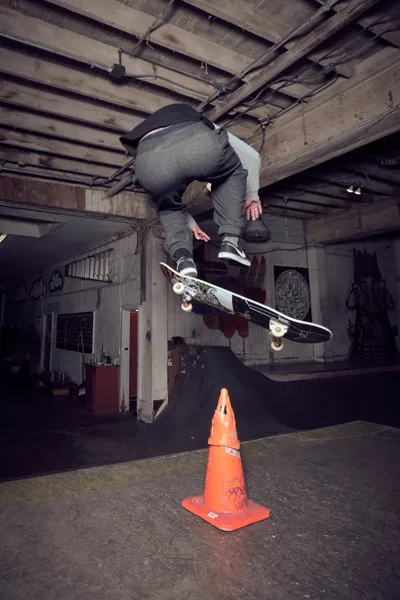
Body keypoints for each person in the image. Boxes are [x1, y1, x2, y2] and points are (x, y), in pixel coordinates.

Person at [120, 103, 262, 277]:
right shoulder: (199, 122)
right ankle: (231, 241)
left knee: (168, 208)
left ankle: (183, 257)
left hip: (147, 161)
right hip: (197, 142)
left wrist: (190, 224)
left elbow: (171, 204)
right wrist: (252, 195)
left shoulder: (146, 136)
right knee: (230, 173)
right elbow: (252, 156)